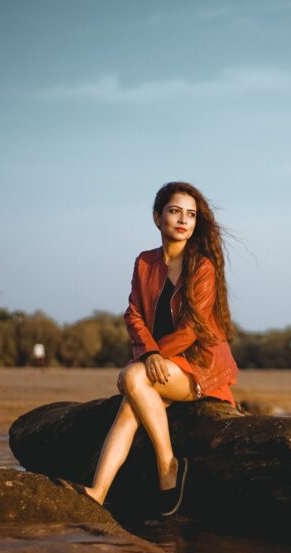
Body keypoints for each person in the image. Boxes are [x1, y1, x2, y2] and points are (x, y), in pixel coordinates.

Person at [66, 181, 239, 517]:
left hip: (198, 366)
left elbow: (192, 329)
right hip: (160, 364)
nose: (183, 220)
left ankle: (167, 463)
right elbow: (133, 314)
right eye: (175, 211)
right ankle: (97, 492)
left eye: (190, 214)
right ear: (158, 217)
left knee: (133, 378)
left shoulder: (202, 266)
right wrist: (150, 355)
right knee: (129, 407)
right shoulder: (145, 262)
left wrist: (150, 359)